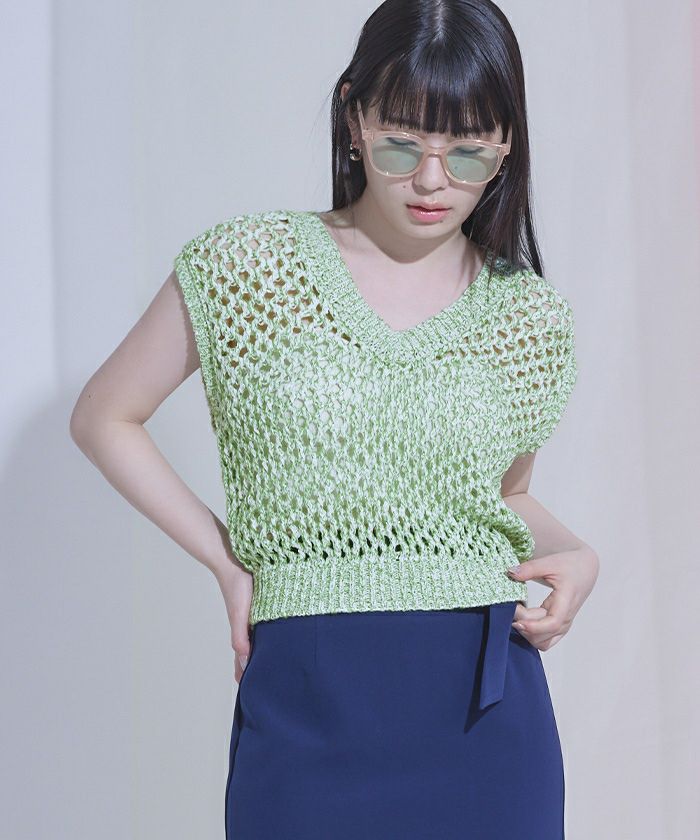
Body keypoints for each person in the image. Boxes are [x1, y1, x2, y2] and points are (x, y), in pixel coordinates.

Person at [70, 0, 599, 837]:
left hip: (487, 713)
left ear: (507, 146)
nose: (432, 181)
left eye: (469, 151)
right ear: (354, 117)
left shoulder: (528, 316)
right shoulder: (246, 266)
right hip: (308, 698)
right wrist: (228, 563)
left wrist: (575, 554)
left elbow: (501, 497)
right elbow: (106, 416)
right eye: (402, 145)